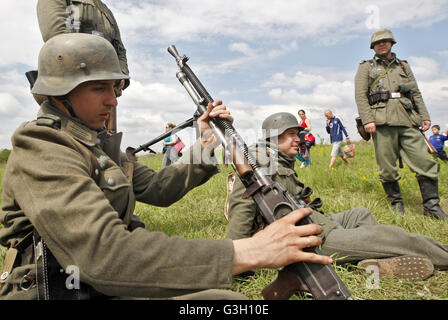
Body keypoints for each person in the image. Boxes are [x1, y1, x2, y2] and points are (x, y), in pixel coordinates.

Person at [0, 33, 332, 300]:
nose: (113, 100)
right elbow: (104, 255)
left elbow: (160, 189)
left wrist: (206, 145)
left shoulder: (98, 145)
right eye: (99, 88)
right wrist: (247, 251)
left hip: (108, 283)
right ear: (61, 95)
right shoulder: (44, 148)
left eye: (114, 88)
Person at [225, 112, 448, 285]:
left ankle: (368, 260)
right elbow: (241, 206)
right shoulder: (260, 160)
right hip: (306, 239)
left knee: (361, 214)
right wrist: (234, 258)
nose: (298, 139)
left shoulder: (279, 160)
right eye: (291, 134)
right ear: (273, 136)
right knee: (394, 236)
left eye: (297, 133)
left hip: (316, 223)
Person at [354, 28, 447, 219]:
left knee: (425, 161)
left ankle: (432, 207)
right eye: (378, 42)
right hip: (381, 122)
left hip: (407, 120)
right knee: (387, 168)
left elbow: (415, 92)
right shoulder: (366, 67)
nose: (382, 44)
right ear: (373, 46)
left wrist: (424, 115)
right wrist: (368, 120)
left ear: (391, 43)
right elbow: (360, 96)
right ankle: (396, 205)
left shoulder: (403, 66)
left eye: (385, 41)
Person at [36, 0, 129, 132]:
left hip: (105, 84)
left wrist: (120, 77)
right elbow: (58, 39)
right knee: (63, 136)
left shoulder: (105, 10)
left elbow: (119, 49)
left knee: (103, 141)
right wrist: (96, 78)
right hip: (73, 85)